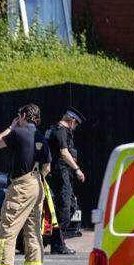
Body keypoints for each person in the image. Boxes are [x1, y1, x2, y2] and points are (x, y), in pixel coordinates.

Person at [0, 104, 52, 265]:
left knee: (8, 228)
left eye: (19, 115)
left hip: (21, 186)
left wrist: (11, 126)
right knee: (33, 229)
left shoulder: (18, 133)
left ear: (24, 115)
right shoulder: (41, 137)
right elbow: (47, 166)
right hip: (37, 184)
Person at [46, 108, 86, 255]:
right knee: (64, 208)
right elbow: (64, 153)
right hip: (61, 174)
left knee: (69, 206)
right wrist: (77, 169)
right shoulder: (61, 131)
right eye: (76, 125)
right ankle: (57, 243)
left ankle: (57, 241)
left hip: (61, 174)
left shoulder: (54, 130)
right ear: (73, 121)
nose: (75, 128)